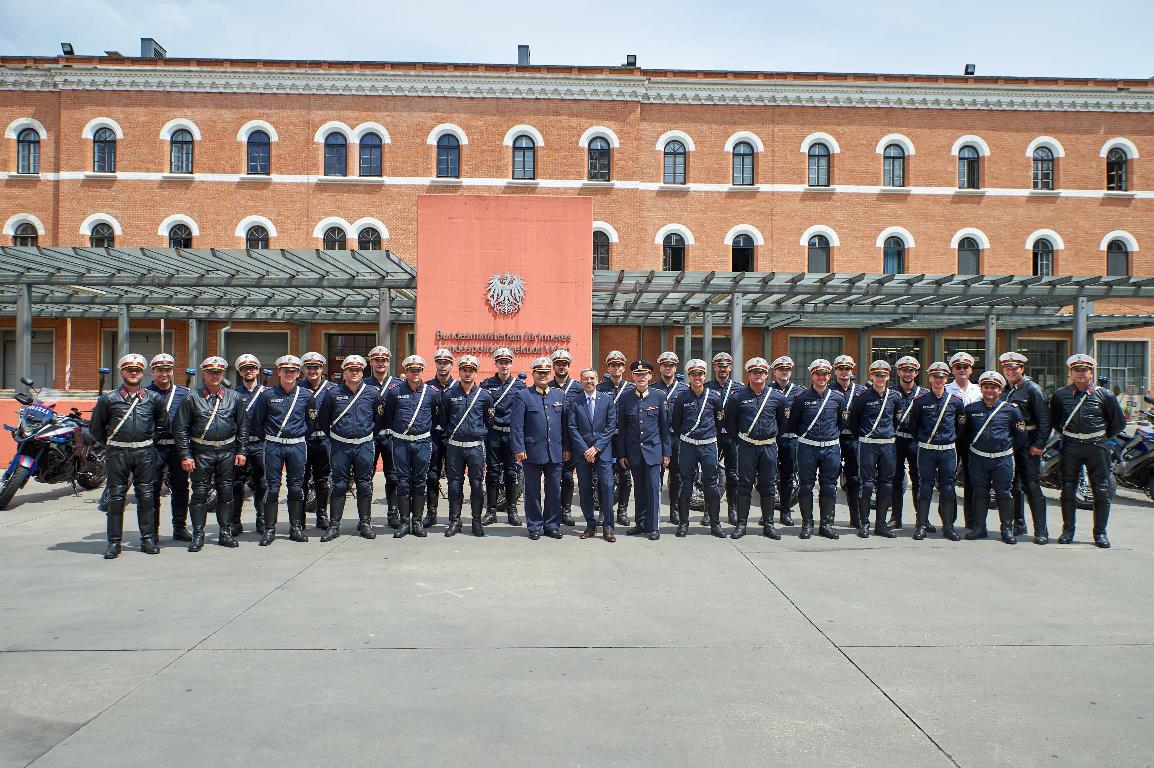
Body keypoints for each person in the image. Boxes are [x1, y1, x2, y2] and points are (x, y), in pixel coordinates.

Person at [90, 354, 168, 559]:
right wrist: (113, 444)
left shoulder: (154, 398)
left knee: (147, 496)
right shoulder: (108, 399)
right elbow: (96, 429)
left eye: (137, 370)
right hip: (118, 452)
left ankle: (148, 539)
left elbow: (162, 425)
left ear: (142, 373)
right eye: (129, 370)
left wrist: (147, 441)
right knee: (116, 498)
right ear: (122, 372)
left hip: (145, 453)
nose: (134, 373)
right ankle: (114, 543)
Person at [1048, 354, 1127, 548]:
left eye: (1084, 370)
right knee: (1068, 489)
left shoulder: (1105, 395)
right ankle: (1068, 531)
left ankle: (1100, 533)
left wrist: (1101, 437)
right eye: (1076, 370)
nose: (1080, 373)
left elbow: (1118, 423)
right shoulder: (1060, 395)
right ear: (1071, 373)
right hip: (1071, 446)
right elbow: (1055, 421)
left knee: (1101, 490)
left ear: (1091, 372)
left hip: (1097, 447)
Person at [173, 356, 247, 551]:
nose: (215, 376)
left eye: (218, 372)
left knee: (226, 492)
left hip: (227, 451)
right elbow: (181, 429)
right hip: (201, 451)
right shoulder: (191, 398)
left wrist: (241, 450)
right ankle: (198, 534)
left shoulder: (234, 397)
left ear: (223, 374)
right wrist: (185, 455)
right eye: (211, 372)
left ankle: (225, 532)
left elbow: (242, 426)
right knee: (199, 493)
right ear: (203, 374)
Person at [249, 355, 317, 545]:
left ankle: (295, 528)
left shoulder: (306, 396)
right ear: (278, 372)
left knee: (296, 487)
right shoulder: (267, 396)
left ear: (298, 373)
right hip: (274, 445)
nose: (289, 374)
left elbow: (311, 421)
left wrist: (298, 434)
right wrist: (270, 438)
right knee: (272, 487)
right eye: (285, 370)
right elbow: (258, 422)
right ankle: (269, 529)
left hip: (297, 445)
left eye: (293, 371)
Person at [960, 371, 1028, 544]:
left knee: (1004, 494)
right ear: (981, 389)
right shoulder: (971, 409)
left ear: (1000, 390)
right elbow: (964, 434)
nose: (989, 390)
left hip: (1002, 460)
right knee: (980, 493)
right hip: (978, 458)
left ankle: (1006, 529)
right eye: (986, 387)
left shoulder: (1011, 410)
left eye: (994, 387)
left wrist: (1006, 448)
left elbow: (1020, 435)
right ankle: (979, 527)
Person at [317, 354, 379, 541]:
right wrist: (337, 437)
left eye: (358, 370)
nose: (355, 373)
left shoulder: (372, 393)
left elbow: (379, 419)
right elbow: (323, 420)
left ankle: (365, 523)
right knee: (339, 485)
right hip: (340, 446)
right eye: (351, 370)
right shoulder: (332, 394)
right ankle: (334, 526)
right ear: (344, 372)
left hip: (364, 445)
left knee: (364, 484)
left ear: (362, 372)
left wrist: (366, 434)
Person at [725, 357, 788, 539]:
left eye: (761, 372)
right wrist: (741, 441)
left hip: (768, 447)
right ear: (749, 374)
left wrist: (772, 436)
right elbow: (730, 423)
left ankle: (769, 525)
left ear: (767, 375)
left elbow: (783, 422)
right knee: (744, 485)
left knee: (768, 486)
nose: (757, 375)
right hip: (747, 447)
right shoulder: (737, 397)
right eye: (754, 372)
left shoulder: (777, 397)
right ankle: (741, 524)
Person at [787, 359, 846, 540]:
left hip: (830, 448)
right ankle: (807, 524)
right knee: (806, 486)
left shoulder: (838, 398)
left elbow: (842, 423)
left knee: (829, 487)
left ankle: (826, 525)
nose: (821, 377)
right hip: (807, 448)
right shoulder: (801, 399)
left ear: (829, 376)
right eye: (817, 374)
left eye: (825, 374)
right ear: (812, 376)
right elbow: (793, 424)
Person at [382, 355, 440, 538]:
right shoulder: (394, 392)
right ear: (406, 371)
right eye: (411, 370)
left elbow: (437, 416)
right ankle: (404, 522)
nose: (415, 373)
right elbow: (388, 416)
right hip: (401, 442)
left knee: (420, 481)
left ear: (422, 371)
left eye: (418, 370)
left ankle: (417, 522)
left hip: (422, 442)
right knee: (403, 482)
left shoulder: (432, 392)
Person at [510, 356, 567, 540]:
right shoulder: (523, 395)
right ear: (533, 374)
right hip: (531, 452)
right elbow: (517, 425)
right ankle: (534, 526)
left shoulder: (559, 395)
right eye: (539, 373)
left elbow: (565, 425)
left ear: (550, 374)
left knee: (554, 491)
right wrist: (519, 448)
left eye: (546, 373)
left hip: (555, 451)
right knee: (533, 491)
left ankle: (552, 525)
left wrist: (567, 448)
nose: (543, 375)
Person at [999, 351, 1052, 544]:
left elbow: (1044, 420)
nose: (1010, 371)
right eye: (1007, 368)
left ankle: (1041, 530)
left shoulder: (1032, 389)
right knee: (1013, 485)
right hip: (1010, 443)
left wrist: (1039, 444)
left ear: (1022, 369)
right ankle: (1019, 524)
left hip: (1029, 443)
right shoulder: (1005, 389)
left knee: (1031, 485)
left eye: (1014, 368)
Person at [907, 362, 964, 541]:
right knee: (925, 487)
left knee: (948, 488)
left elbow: (960, 427)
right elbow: (913, 426)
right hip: (927, 451)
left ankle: (948, 526)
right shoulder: (920, 401)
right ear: (930, 378)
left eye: (942, 377)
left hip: (947, 451)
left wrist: (949, 439)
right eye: (935, 376)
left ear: (946, 379)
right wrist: (924, 440)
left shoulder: (956, 401)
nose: (938, 380)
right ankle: (921, 525)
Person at [615, 360, 670, 540]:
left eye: (644, 374)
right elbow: (622, 429)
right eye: (637, 375)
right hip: (634, 453)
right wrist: (622, 454)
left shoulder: (659, 397)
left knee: (653, 490)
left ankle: (653, 527)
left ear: (650, 376)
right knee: (639, 489)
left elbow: (664, 428)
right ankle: (641, 523)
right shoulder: (625, 398)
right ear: (632, 376)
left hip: (654, 451)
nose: (641, 377)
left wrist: (666, 453)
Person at [439, 355, 493, 537]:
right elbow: (444, 420)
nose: (468, 373)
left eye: (471, 370)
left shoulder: (484, 396)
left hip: (475, 446)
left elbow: (489, 420)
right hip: (454, 446)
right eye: (464, 370)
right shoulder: (449, 395)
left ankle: (476, 522)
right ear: (459, 372)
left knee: (477, 485)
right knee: (454, 485)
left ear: (476, 373)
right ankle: (455, 521)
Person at [671, 358, 724, 538]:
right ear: (689, 376)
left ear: (704, 375)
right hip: (688, 445)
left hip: (708, 445)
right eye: (693, 374)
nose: (697, 377)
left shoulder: (714, 397)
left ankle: (715, 523)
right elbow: (676, 424)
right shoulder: (682, 398)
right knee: (686, 484)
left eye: (700, 374)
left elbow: (719, 421)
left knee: (712, 485)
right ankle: (683, 523)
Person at [848, 360, 901, 539]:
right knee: (867, 484)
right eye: (877, 375)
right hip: (868, 444)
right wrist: (863, 436)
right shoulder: (862, 397)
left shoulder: (894, 397)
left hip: (887, 445)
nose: (880, 378)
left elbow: (896, 420)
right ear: (871, 376)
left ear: (888, 377)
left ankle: (881, 524)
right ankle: (864, 523)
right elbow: (853, 421)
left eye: (883, 375)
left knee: (886, 484)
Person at [568, 366, 617, 541]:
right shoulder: (575, 401)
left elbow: (611, 426)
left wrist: (596, 448)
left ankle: (608, 527)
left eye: (592, 378)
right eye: (585, 378)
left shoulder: (607, 400)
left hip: (602, 451)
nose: (589, 381)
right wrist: (585, 450)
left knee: (607, 487)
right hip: (582, 453)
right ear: (581, 381)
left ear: (597, 380)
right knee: (585, 488)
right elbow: (572, 427)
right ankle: (590, 525)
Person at [146, 353, 191, 541]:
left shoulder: (184, 393)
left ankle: (179, 528)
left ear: (172, 371)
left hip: (177, 447)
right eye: (160, 370)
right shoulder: (144, 393)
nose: (164, 374)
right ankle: (152, 531)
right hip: (153, 447)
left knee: (180, 487)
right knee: (152, 488)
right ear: (153, 372)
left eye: (168, 370)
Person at [480, 347, 526, 526]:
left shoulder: (519, 386)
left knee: (511, 473)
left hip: (511, 435)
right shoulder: (486, 385)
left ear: (511, 364)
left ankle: (512, 510)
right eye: (501, 362)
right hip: (493, 434)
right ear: (496, 364)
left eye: (507, 362)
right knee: (492, 472)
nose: (504, 365)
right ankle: (491, 511)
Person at [890, 355, 928, 531]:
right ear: (898, 372)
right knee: (896, 479)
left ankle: (922, 519)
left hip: (915, 441)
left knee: (918, 479)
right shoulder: (891, 393)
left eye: (911, 370)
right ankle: (895, 517)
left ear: (916, 373)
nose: (907, 374)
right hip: (896, 440)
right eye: (904, 370)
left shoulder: (924, 394)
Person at [231, 354, 268, 536]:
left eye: (252, 368)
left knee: (262, 483)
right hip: (239, 446)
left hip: (260, 444)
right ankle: (235, 522)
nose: (249, 371)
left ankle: (261, 520)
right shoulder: (233, 394)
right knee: (237, 484)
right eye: (245, 369)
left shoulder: (267, 393)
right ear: (240, 372)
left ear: (257, 370)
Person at [365, 346, 401, 529]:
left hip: (391, 436)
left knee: (393, 477)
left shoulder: (398, 384)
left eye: (384, 360)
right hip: (370, 437)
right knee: (366, 477)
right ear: (371, 362)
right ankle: (366, 517)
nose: (381, 363)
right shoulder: (363, 384)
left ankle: (393, 513)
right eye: (377, 360)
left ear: (388, 362)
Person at [946, 351, 982, 532]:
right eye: (958, 367)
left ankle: (971, 520)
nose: (962, 370)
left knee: (972, 480)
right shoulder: (946, 389)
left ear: (971, 370)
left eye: (965, 367)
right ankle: (949, 520)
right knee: (948, 479)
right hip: (952, 439)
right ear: (952, 370)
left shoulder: (979, 390)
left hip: (973, 440)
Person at [599, 350, 634, 527]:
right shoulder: (599, 388)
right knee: (603, 477)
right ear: (608, 367)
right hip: (605, 438)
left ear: (623, 367)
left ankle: (622, 510)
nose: (616, 368)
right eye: (613, 365)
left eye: (619, 365)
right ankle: (604, 512)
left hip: (624, 438)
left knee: (625, 475)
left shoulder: (631, 388)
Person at [652, 351, 688, 525]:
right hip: (658, 438)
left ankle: (674, 510)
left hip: (677, 438)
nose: (668, 368)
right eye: (665, 365)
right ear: (660, 367)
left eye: (671, 365)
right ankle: (655, 510)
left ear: (675, 368)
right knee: (656, 476)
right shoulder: (652, 388)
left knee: (677, 476)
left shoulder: (684, 389)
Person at [422, 348, 456, 530]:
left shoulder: (458, 387)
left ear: (451, 365)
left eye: (446, 363)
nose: (442, 366)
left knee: (453, 477)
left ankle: (453, 516)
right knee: (432, 475)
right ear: (435, 364)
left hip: (452, 438)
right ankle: (431, 513)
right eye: (439, 363)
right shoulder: (427, 387)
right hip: (433, 437)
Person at [300, 351, 334, 531]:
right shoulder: (298, 388)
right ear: (304, 369)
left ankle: (322, 515)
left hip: (324, 440)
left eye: (316, 367)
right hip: (304, 440)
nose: (312, 371)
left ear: (322, 368)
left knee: (322, 480)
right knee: (301, 479)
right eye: (309, 367)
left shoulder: (332, 389)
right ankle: (300, 518)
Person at [832, 355, 865, 529]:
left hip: (853, 439)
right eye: (841, 368)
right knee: (830, 478)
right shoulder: (828, 389)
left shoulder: (861, 392)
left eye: (847, 368)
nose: (844, 372)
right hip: (834, 439)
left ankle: (855, 516)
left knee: (854, 478)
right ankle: (829, 517)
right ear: (835, 370)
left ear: (852, 370)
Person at [770, 356, 804, 527]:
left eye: (787, 370)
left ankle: (785, 511)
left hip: (791, 440)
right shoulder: (768, 389)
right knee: (768, 477)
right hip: (771, 440)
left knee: (788, 476)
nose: (784, 372)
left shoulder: (800, 391)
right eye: (781, 369)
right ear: (774, 372)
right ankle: (767, 512)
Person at [707, 352, 740, 525]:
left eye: (725, 366)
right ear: (714, 367)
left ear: (730, 368)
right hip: (713, 436)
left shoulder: (739, 388)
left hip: (732, 438)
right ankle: (709, 511)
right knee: (710, 475)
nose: (722, 369)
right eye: (719, 366)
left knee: (733, 475)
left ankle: (732, 509)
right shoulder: (706, 387)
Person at [549, 348, 580, 527]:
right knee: (552, 478)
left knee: (567, 477)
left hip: (571, 438)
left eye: (564, 364)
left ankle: (566, 511)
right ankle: (554, 511)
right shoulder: (547, 386)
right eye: (558, 364)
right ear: (553, 366)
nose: (561, 367)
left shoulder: (577, 387)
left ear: (569, 366)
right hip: (552, 438)